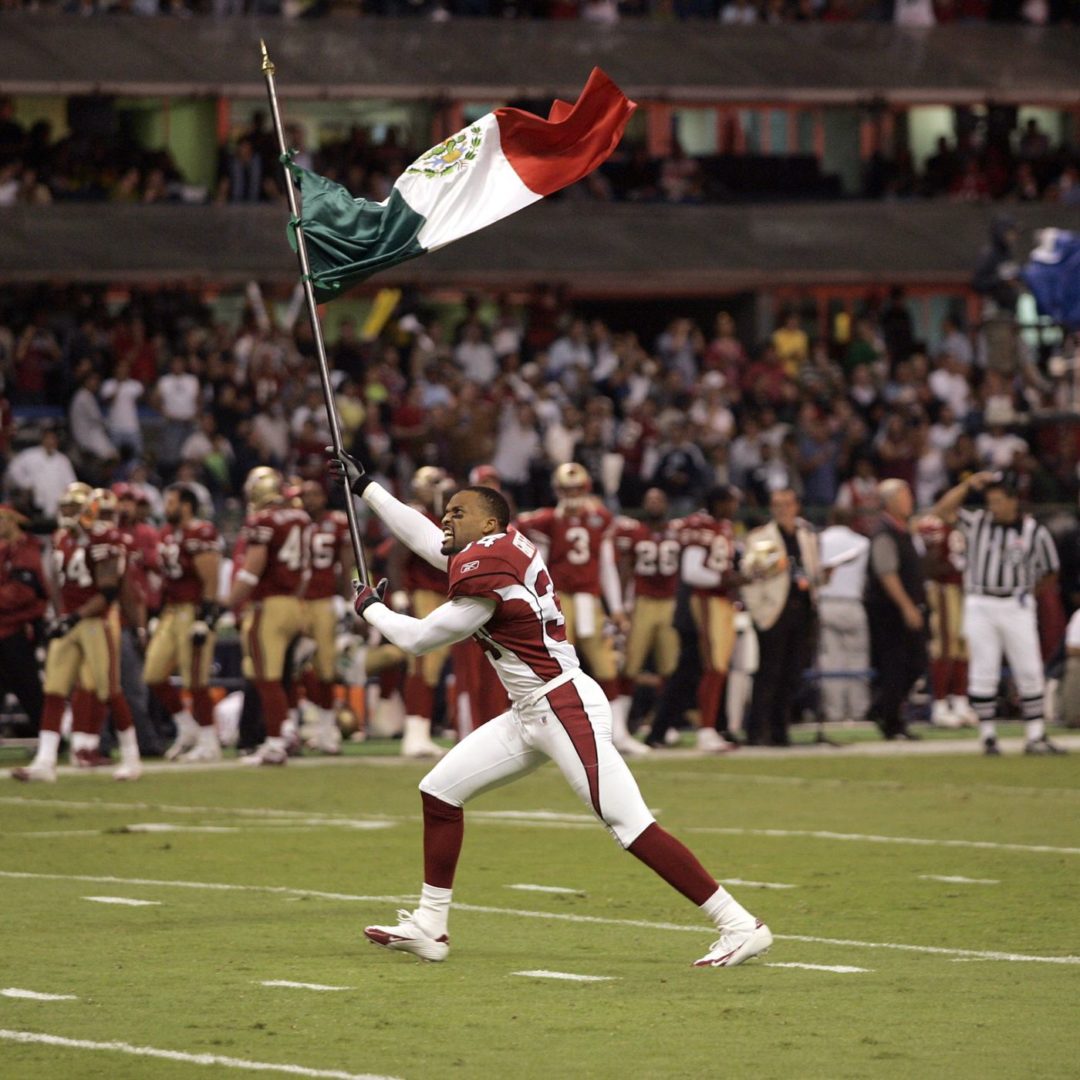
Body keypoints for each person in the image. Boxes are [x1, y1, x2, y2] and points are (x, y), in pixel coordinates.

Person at [329, 447, 773, 969]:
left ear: (490, 522)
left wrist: (372, 609)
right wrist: (367, 490)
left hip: (561, 703)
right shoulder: (499, 548)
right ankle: (431, 924)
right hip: (530, 711)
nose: (445, 519)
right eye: (445, 511)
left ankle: (739, 924)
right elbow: (431, 542)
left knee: (628, 823)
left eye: (457, 512)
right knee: (440, 791)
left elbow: (422, 639)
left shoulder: (488, 562)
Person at [11, 484, 141, 783]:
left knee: (109, 689)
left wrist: (75, 617)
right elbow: (56, 583)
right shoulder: (62, 538)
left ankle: (132, 756)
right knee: (54, 689)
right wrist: (60, 616)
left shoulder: (104, 538)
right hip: (72, 620)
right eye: (64, 506)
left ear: (87, 509)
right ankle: (45, 761)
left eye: (72, 507)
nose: (65, 513)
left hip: (96, 622)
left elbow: (108, 591)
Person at [929, 471, 1064, 755]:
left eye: (1000, 501)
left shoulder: (1033, 531)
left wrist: (1028, 593)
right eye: (991, 501)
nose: (994, 507)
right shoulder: (978, 523)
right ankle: (988, 735)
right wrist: (967, 485)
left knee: (1029, 668)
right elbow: (941, 511)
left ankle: (1035, 735)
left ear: (1014, 501)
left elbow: (1050, 570)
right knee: (983, 670)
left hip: (1016, 603)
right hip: (981, 602)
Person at [517, 463, 634, 752]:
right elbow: (537, 567)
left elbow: (607, 565)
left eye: (577, 489)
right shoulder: (545, 521)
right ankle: (549, 731)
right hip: (560, 601)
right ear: (557, 490)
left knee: (605, 664)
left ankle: (618, 731)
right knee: (555, 668)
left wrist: (616, 608)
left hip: (589, 600)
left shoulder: (599, 519)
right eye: (567, 489)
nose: (572, 495)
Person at [223, 466, 311, 766]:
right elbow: (305, 574)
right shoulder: (299, 518)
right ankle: (284, 733)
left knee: (266, 678)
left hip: (269, 607)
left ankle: (274, 744)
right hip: (294, 606)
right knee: (281, 678)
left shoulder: (262, 520)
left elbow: (251, 571)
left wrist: (227, 605)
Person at [740, 488, 824, 746]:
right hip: (774, 611)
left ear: (796, 506)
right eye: (777, 504)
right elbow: (749, 573)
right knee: (768, 674)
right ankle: (757, 731)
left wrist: (821, 578)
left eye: (787, 504)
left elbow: (810, 572)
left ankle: (780, 729)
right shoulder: (762, 537)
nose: (782, 509)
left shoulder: (806, 535)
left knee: (792, 673)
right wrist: (758, 612)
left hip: (802, 610)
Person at [148, 484, 224, 763]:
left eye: (171, 502)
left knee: (196, 679)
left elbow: (211, 579)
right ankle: (187, 729)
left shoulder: (200, 532)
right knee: (153, 673)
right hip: (171, 611)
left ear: (186, 506)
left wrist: (206, 618)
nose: (166, 507)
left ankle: (209, 742)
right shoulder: (166, 534)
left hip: (193, 611)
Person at [677, 486, 743, 751]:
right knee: (713, 665)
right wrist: (725, 579)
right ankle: (705, 730)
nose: (734, 507)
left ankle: (711, 728)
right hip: (706, 599)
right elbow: (691, 572)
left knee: (720, 667)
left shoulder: (724, 527)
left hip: (722, 599)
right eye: (730, 502)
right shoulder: (700, 526)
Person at [865, 481, 926, 741]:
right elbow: (886, 573)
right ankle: (891, 720)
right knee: (896, 665)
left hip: (904, 608)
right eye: (905, 495)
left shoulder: (904, 531)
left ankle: (882, 709)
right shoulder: (884, 533)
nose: (910, 500)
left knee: (914, 663)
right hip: (889, 611)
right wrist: (906, 606)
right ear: (890, 502)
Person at [300, 478, 354, 754]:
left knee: (326, 669)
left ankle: (326, 729)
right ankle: (299, 726)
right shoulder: (294, 522)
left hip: (322, 602)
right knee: (292, 667)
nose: (309, 500)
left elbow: (345, 566)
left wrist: (346, 602)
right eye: (305, 495)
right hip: (295, 602)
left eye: (314, 494)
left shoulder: (337, 522)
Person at [916, 513, 975, 729]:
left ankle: (960, 702)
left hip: (964, 591)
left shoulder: (969, 525)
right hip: (943, 590)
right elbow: (927, 565)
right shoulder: (932, 525)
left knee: (963, 647)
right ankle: (940, 706)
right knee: (944, 647)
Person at [816, 508, 871, 725]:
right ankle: (858, 711)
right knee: (857, 659)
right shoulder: (863, 543)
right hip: (852, 603)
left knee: (831, 661)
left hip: (826, 603)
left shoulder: (819, 540)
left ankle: (834, 713)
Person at [0, 504, 46, 730]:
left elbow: (22, 593)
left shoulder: (27, 549)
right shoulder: (4, 550)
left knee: (28, 687)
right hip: (4, 626)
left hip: (20, 628)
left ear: (13, 521)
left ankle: (50, 736)